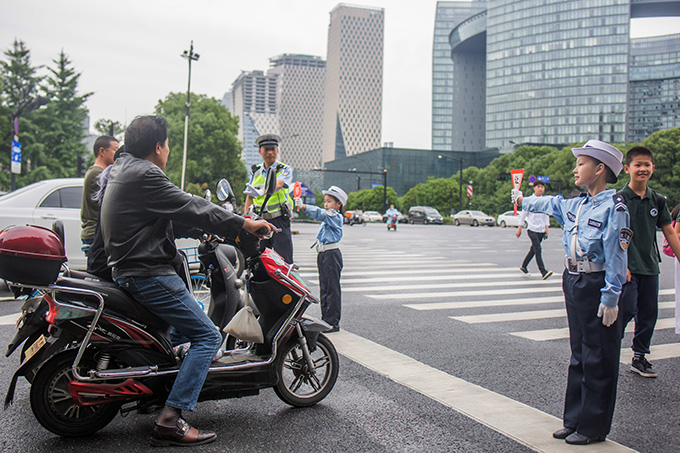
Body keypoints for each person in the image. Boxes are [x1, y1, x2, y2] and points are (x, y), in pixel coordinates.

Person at [100, 115, 274, 447]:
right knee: (208, 338)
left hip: (130, 268)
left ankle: (169, 381)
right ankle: (170, 418)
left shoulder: (124, 169)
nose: (167, 150)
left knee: (184, 324)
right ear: (158, 147)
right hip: (147, 272)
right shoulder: (146, 173)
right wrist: (243, 225)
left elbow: (167, 217)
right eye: (167, 144)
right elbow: (189, 204)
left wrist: (201, 230)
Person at [512, 139, 630, 445]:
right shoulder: (576, 204)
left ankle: (593, 427)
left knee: (598, 356)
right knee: (579, 354)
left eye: (581, 163)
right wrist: (522, 199)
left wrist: (611, 296)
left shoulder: (614, 208)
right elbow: (549, 203)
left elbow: (617, 254)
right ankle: (574, 419)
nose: (575, 169)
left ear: (599, 169)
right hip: (574, 279)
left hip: (597, 283)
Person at [617, 146, 680, 378]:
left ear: (653, 168)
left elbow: (670, 233)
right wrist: (620, 265)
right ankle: (609, 348)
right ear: (627, 169)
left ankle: (639, 356)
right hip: (627, 268)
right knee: (627, 308)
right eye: (637, 165)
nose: (642, 169)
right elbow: (613, 235)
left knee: (649, 313)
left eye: (647, 165)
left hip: (650, 267)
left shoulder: (658, 200)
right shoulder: (619, 199)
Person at [294, 186, 347, 333]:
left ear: (338, 204)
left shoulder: (334, 216)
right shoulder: (329, 217)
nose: (326, 204)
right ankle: (326, 319)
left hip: (331, 254)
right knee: (325, 288)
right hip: (323, 254)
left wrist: (304, 206)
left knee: (332, 289)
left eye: (329, 201)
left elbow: (320, 214)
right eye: (325, 201)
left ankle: (333, 322)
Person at [243, 134, 294, 263]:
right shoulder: (255, 172)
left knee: (284, 261)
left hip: (279, 220)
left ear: (277, 150)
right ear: (260, 151)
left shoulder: (284, 169)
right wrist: (245, 218)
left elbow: (279, 184)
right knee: (259, 260)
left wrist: (262, 191)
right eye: (266, 149)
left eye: (273, 149)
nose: (270, 152)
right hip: (260, 220)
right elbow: (250, 196)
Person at [81, 135, 118, 254]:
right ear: (102, 151)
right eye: (115, 150)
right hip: (95, 234)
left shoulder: (97, 172)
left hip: (97, 233)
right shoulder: (97, 174)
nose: (117, 155)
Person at [516, 180, 553, 279]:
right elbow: (523, 215)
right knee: (538, 249)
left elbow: (546, 215)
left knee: (533, 250)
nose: (540, 189)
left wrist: (547, 228)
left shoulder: (545, 201)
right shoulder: (529, 200)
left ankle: (524, 266)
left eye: (542, 187)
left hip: (541, 230)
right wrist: (519, 228)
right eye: (538, 187)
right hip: (531, 229)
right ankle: (543, 271)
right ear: (534, 188)